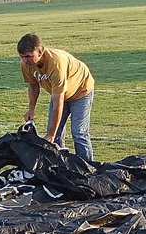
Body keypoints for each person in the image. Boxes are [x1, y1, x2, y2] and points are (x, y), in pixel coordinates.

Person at [17, 33, 95, 161]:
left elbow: (59, 103)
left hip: (81, 91)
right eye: (22, 57)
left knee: (79, 133)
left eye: (28, 56)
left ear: (40, 51)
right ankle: (60, 167)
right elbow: (33, 85)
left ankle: (88, 169)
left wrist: (51, 134)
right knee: (56, 134)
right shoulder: (26, 65)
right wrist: (31, 109)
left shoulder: (56, 63)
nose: (25, 60)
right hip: (60, 93)